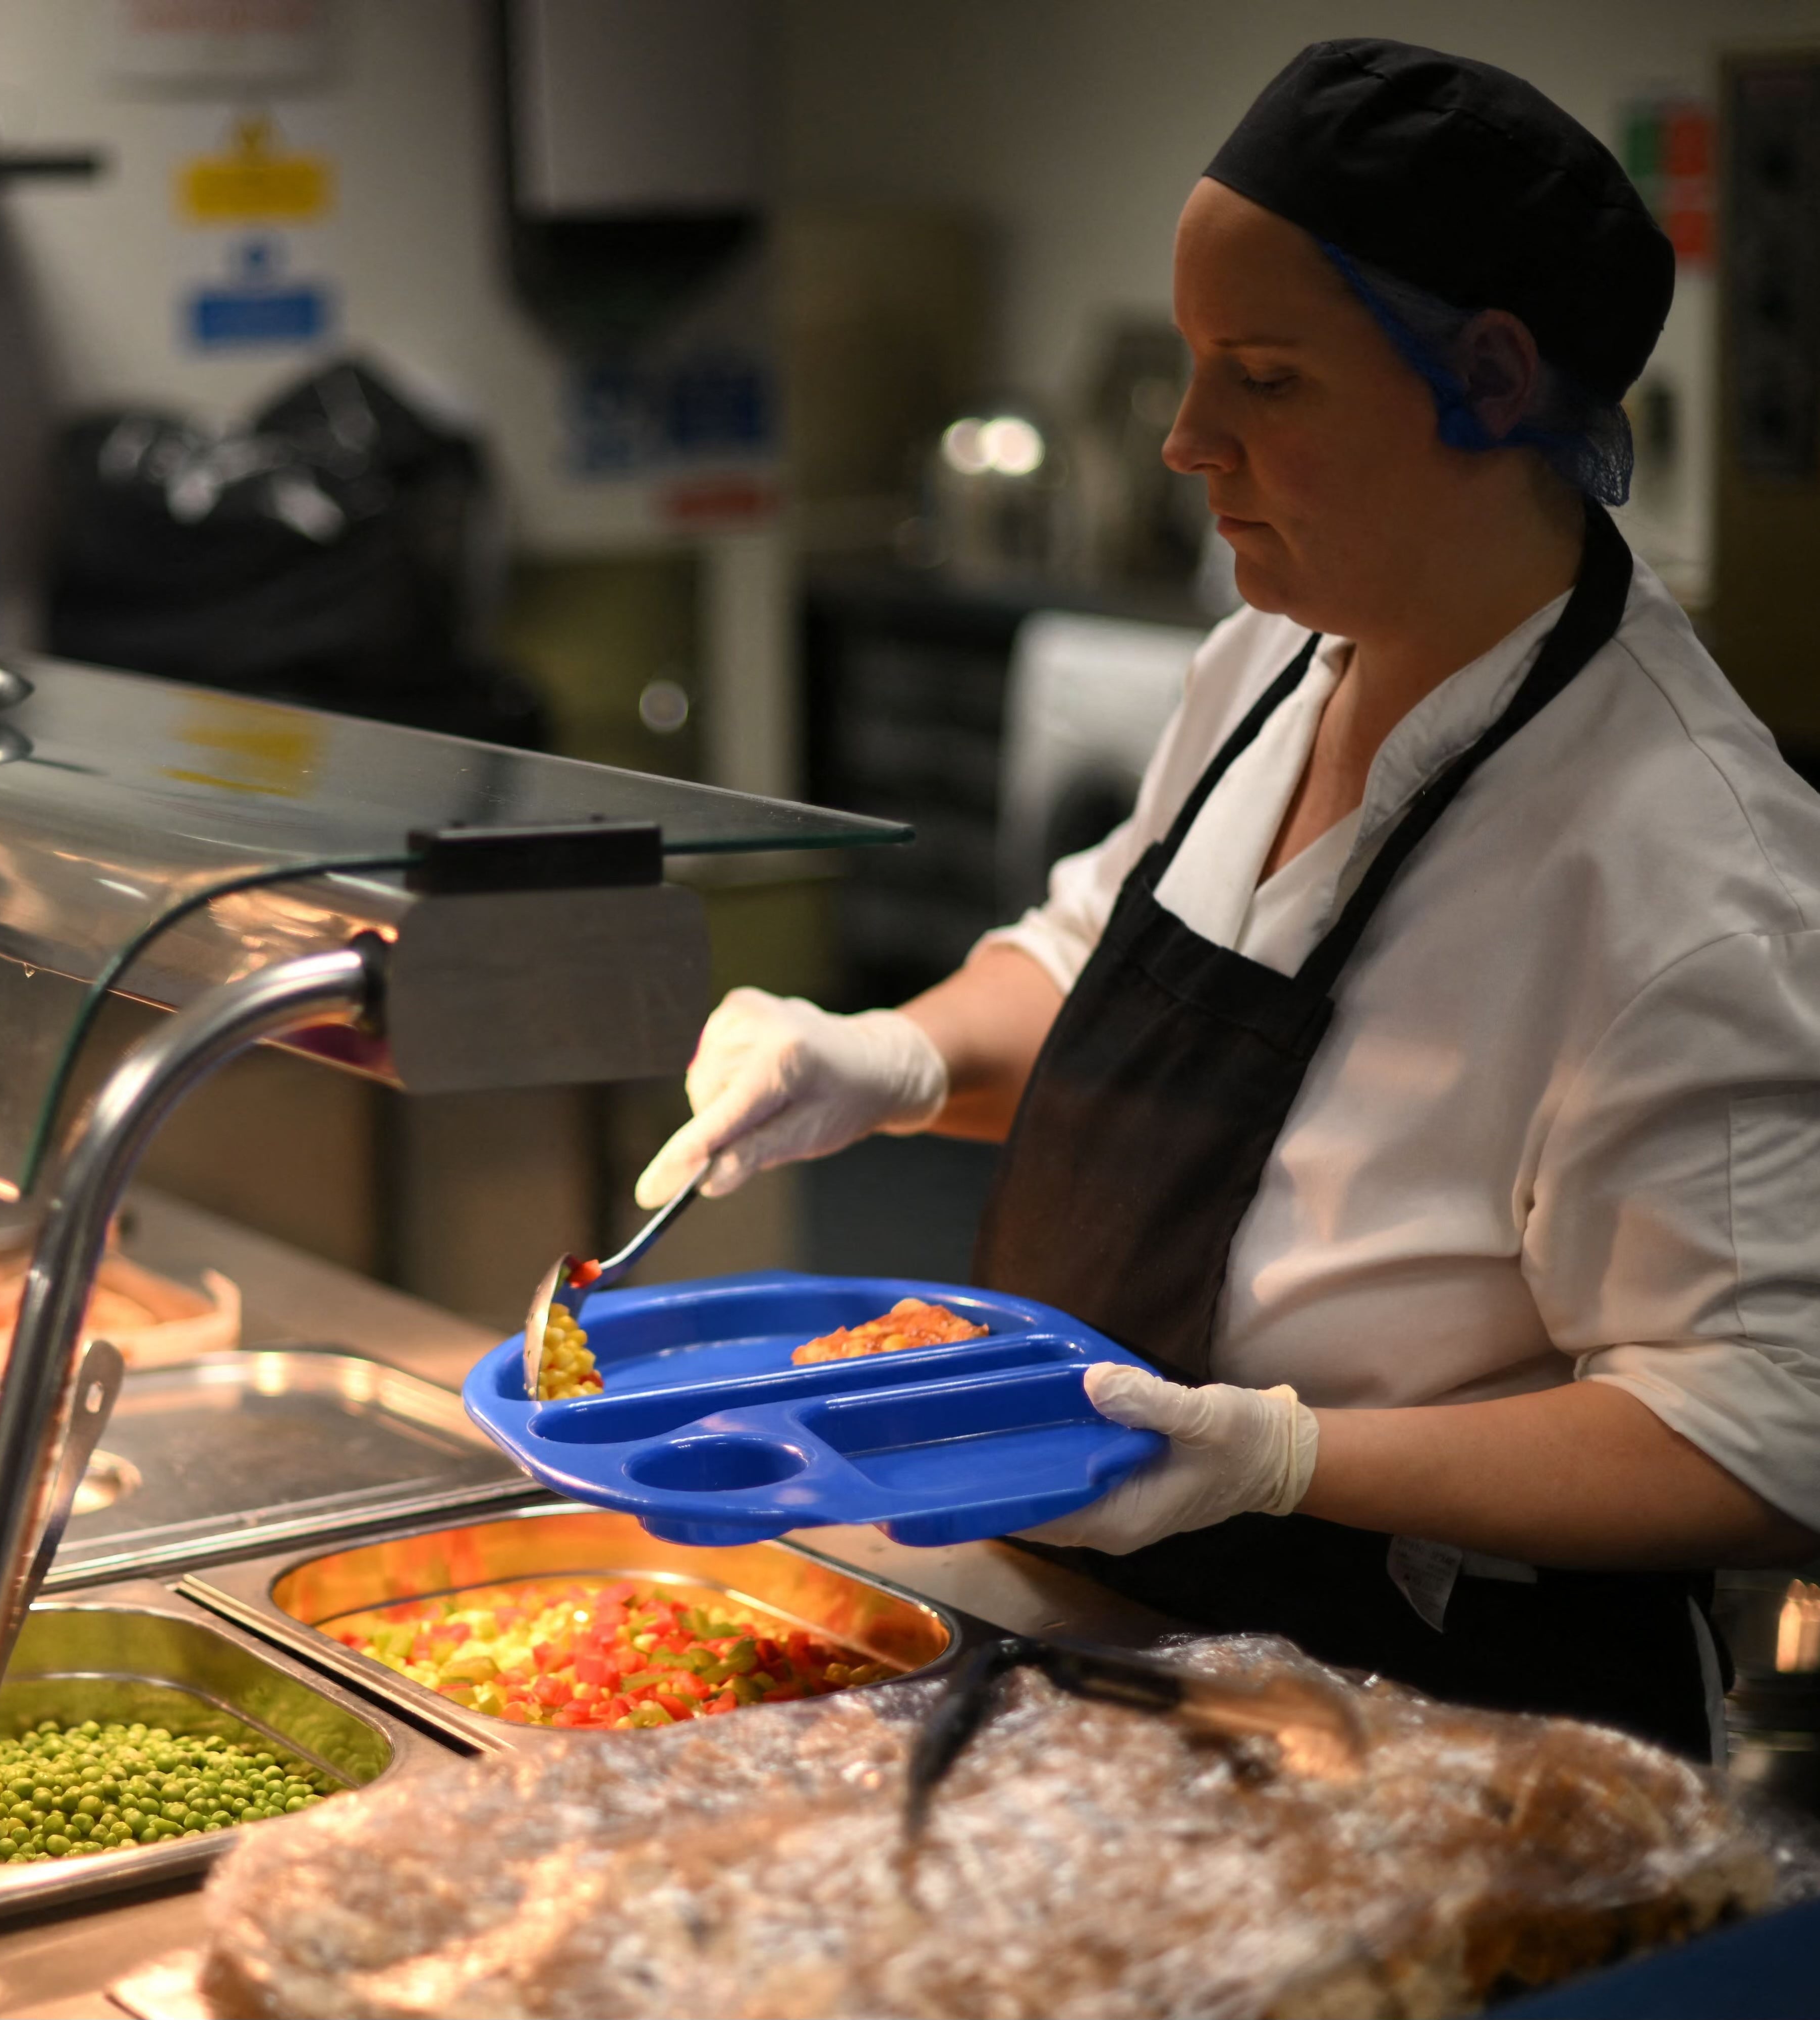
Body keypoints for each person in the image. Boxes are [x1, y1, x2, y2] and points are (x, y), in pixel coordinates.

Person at [635, 39, 1820, 1759]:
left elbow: (1761, 1429)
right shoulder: (1270, 660)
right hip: (1106, 1630)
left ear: (1487, 377)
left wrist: (1280, 1457)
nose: (1192, 442)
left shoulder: (1688, 869)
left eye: (1263, 379)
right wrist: (878, 1057)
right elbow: (1093, 961)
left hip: (1441, 1736)